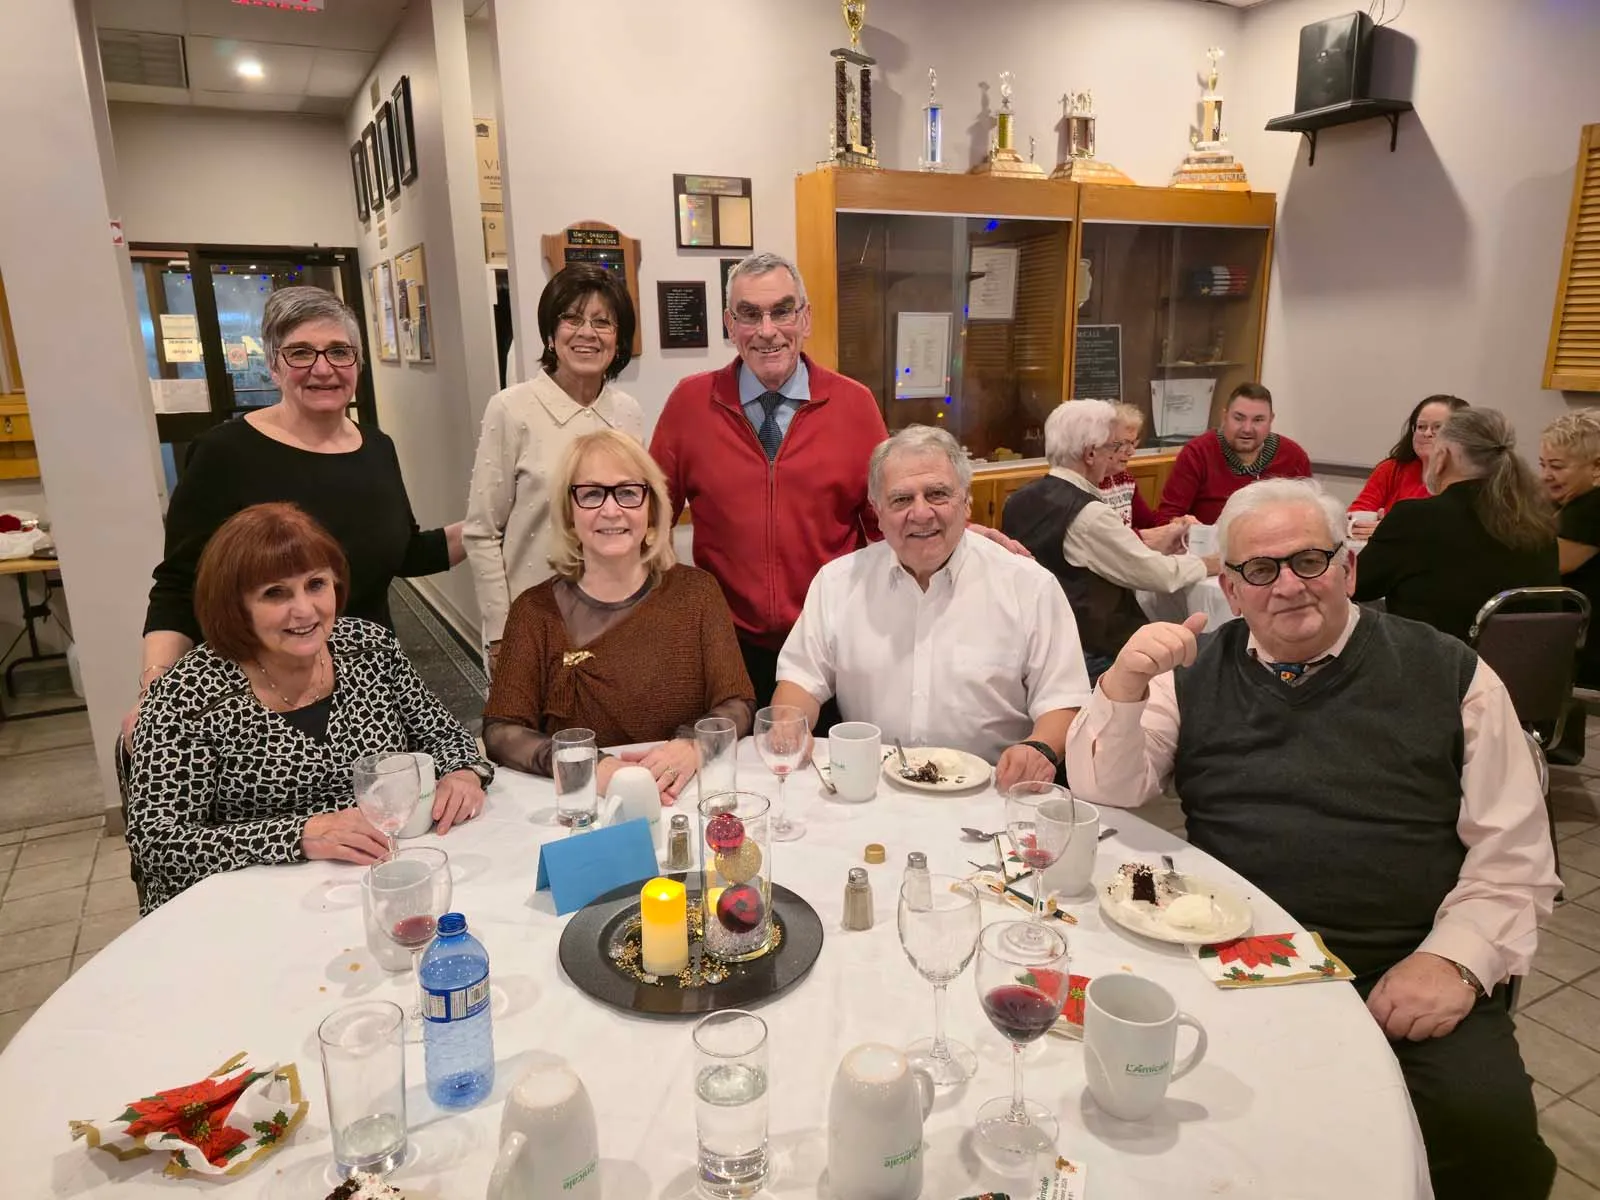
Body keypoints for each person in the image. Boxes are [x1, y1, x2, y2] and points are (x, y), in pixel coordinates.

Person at [1064, 478, 1559, 1200]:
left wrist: (1454, 962)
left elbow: (1514, 858)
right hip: (1229, 952)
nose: (1288, 586)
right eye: (1261, 570)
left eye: (1309, 561)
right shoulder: (1195, 672)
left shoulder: (1450, 674)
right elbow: (1107, 789)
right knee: (1173, 1130)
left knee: (1492, 1143)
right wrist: (1125, 686)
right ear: (1230, 591)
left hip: (1399, 960)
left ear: (1349, 567)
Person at [128, 504, 492, 914]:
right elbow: (156, 841)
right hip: (247, 910)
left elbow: (443, 734)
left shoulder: (368, 648)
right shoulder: (187, 695)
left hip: (371, 887)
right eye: (275, 593)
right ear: (234, 605)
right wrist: (298, 835)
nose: (304, 610)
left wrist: (462, 773)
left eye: (316, 584)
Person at [134, 286, 463, 737]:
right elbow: (177, 586)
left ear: (357, 365)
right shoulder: (225, 453)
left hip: (368, 690)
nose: (323, 369)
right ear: (272, 365)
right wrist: (156, 692)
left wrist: (494, 525)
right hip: (260, 699)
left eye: (339, 352)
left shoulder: (376, 448)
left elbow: (404, 553)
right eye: (301, 353)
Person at [773, 425, 1091, 789]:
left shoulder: (1029, 586)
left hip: (990, 792)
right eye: (901, 500)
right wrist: (787, 725)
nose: (921, 513)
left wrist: (1039, 748)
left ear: (966, 501)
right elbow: (800, 679)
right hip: (873, 790)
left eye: (937, 494)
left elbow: (1064, 700)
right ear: (877, 511)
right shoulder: (837, 582)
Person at [650, 251, 887, 707]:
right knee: (731, 772)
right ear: (728, 323)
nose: (767, 330)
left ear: (805, 318)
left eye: (782, 311)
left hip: (831, 642)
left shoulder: (854, 405)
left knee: (826, 772)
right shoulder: (690, 404)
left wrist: (962, 535)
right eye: (749, 314)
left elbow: (888, 526)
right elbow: (649, 518)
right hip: (725, 645)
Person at [482, 429, 754, 801]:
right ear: (569, 512)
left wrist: (693, 745)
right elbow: (501, 731)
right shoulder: (534, 611)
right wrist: (588, 766)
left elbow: (738, 702)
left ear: (651, 508)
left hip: (686, 797)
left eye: (627, 492)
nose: (611, 510)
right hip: (585, 804)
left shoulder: (698, 593)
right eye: (592, 494)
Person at [465, 264, 643, 673]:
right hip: (533, 619)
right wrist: (500, 632)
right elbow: (481, 531)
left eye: (603, 322)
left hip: (616, 617)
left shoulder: (627, 413)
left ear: (618, 340)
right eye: (572, 318)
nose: (587, 332)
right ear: (551, 333)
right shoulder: (511, 409)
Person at [1002, 400, 1216, 680]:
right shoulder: (1089, 514)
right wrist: (1212, 563)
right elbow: (1158, 576)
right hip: (1093, 652)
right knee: (1199, 660)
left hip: (1038, 643)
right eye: (1113, 447)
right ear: (1091, 453)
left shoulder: (1018, 499)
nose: (1118, 454)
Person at [1354, 408, 1558, 643]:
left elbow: (1356, 586)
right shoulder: (1537, 521)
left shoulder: (1416, 518)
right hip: (1523, 667)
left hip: (1438, 667)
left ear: (1444, 456)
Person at [1154, 382, 1312, 525]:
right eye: (1239, 418)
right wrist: (1180, 525)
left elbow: (1310, 517)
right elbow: (1166, 517)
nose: (1247, 429)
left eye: (1258, 420)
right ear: (1224, 417)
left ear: (1271, 420)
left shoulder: (1293, 456)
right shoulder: (1198, 453)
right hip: (1211, 552)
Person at [1348, 395, 1470, 538]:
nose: (1427, 433)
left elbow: (1452, 531)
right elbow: (1356, 512)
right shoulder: (1390, 469)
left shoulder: (1466, 479)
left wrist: (1392, 528)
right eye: (1421, 427)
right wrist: (1356, 524)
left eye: (1438, 428)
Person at [1541, 410, 1600, 689]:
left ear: (1596, 467)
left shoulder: (1592, 508)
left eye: (1557, 466)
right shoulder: (1571, 504)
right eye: (1543, 465)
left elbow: (1550, 563)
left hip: (1587, 648)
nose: (1546, 476)